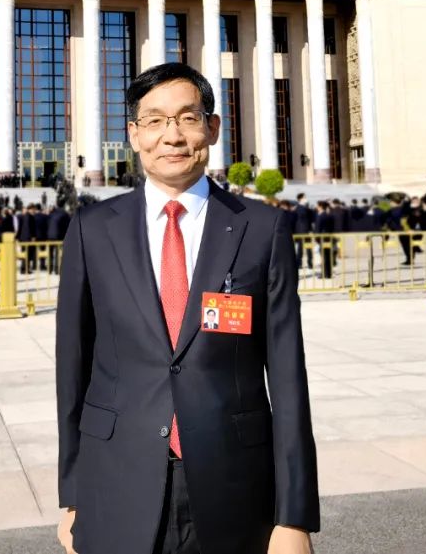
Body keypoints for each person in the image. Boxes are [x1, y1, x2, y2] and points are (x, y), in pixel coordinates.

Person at [56, 63, 318, 554]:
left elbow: (287, 379)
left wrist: (294, 516)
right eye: (154, 121)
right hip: (116, 481)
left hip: (235, 486)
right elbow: (72, 372)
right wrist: (71, 496)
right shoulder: (93, 229)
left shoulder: (261, 229)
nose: (171, 136)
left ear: (212, 128)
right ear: (134, 134)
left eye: (187, 118)